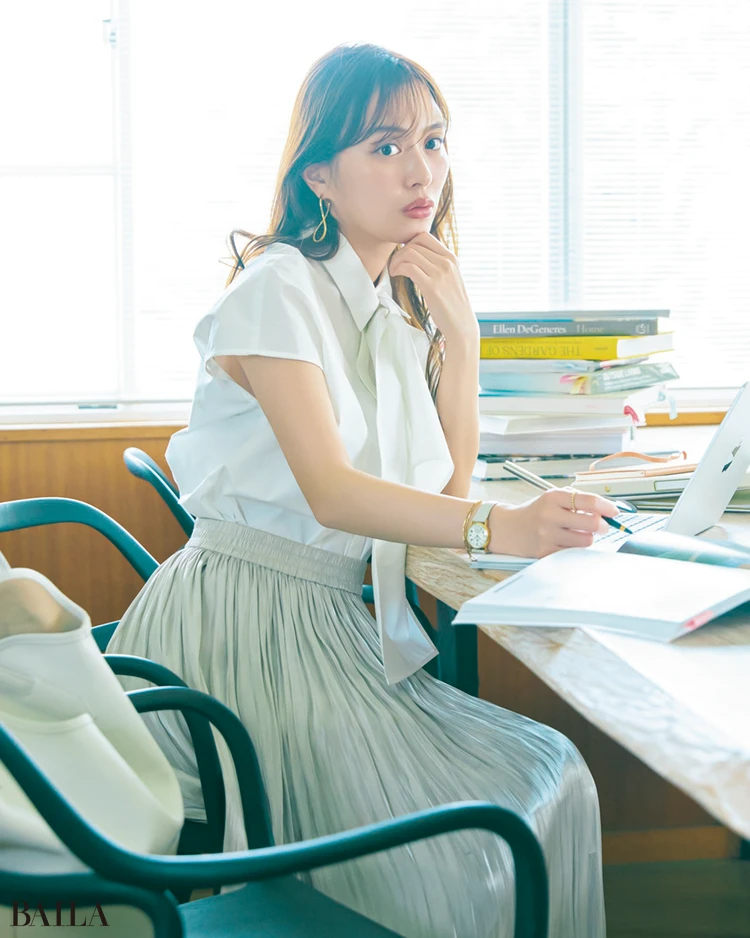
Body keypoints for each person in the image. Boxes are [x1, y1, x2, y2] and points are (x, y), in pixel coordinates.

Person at [108, 41, 617, 937]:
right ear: (319, 179)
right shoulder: (279, 291)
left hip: (333, 622)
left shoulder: (384, 299)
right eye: (385, 147)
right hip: (253, 627)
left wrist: (461, 334)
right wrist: (507, 523)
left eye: (434, 139)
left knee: (557, 778)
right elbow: (339, 497)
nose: (422, 170)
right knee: (484, 843)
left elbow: (442, 490)